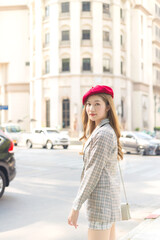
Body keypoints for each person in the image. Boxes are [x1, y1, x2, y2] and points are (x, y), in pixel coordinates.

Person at [68, 85, 123, 240]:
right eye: (89, 104)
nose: (91, 108)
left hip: (101, 205)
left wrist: (76, 207)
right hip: (106, 203)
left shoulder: (103, 134)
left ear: (107, 107)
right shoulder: (101, 130)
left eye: (97, 103)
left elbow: (92, 173)